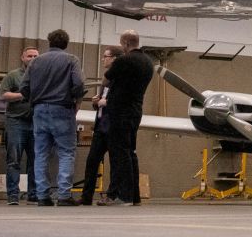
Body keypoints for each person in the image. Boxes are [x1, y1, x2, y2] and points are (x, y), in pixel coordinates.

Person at [20, 30, 84, 206]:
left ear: (49, 42)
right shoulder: (71, 60)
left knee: (40, 153)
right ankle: (63, 195)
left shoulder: (35, 62)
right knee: (66, 152)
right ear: (66, 43)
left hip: (39, 110)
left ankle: (42, 196)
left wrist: (32, 100)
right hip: (63, 109)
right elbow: (78, 84)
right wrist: (74, 99)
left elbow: (24, 87)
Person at [103, 30, 153, 206]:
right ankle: (134, 195)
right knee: (131, 152)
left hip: (120, 111)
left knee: (119, 153)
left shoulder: (124, 60)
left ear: (124, 43)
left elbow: (106, 80)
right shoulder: (148, 62)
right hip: (135, 110)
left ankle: (124, 195)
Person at [80, 45, 123, 205]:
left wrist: (107, 102)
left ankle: (112, 195)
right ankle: (86, 196)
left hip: (113, 126)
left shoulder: (121, 78)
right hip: (100, 126)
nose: (103, 59)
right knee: (92, 161)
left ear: (115, 59)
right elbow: (102, 101)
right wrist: (96, 102)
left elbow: (122, 101)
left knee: (115, 161)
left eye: (106, 56)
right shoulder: (105, 78)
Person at [0, 47, 39, 205]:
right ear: (22, 58)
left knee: (35, 160)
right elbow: (3, 95)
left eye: (36, 56)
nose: (32, 58)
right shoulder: (13, 75)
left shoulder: (42, 77)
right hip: (16, 122)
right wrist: (23, 95)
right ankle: (13, 196)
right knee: (14, 160)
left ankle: (33, 194)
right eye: (29, 56)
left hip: (36, 123)